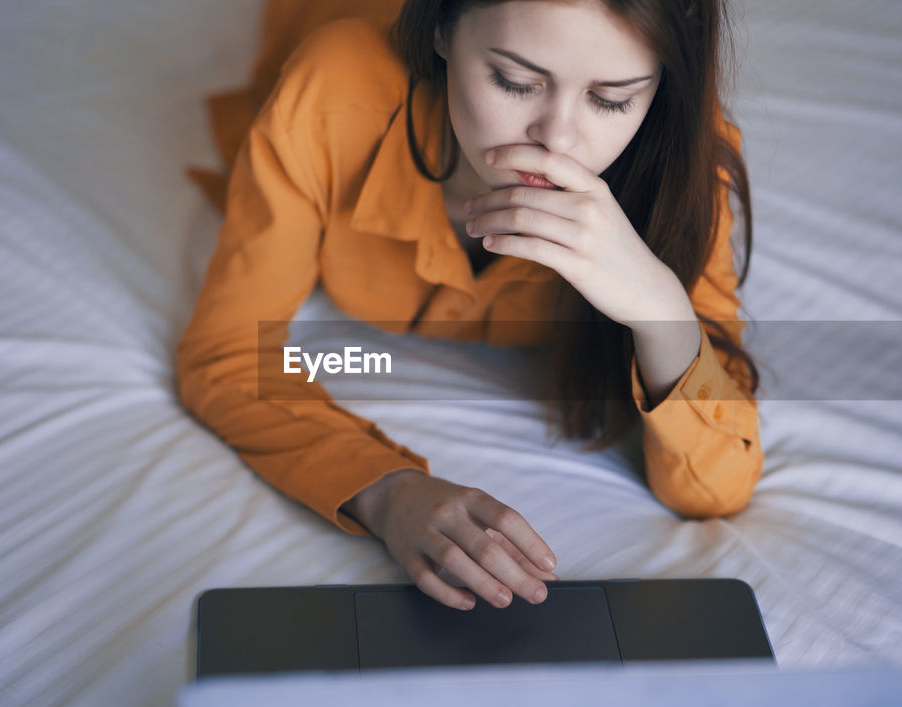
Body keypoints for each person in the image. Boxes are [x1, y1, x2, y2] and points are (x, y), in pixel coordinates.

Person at [176, 0, 763, 613]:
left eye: (612, 99)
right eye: (514, 80)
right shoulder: (333, 96)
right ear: (439, 29)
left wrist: (659, 309)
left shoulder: (685, 163)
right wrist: (387, 492)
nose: (558, 139)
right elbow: (228, 356)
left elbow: (716, 488)